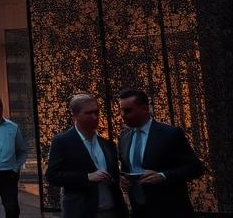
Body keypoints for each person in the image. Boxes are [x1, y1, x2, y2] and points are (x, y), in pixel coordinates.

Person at [117, 87, 204, 217]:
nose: (123, 115)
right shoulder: (123, 138)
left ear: (145, 109)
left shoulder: (170, 134)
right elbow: (126, 170)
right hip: (139, 212)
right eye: (121, 111)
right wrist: (122, 180)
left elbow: (196, 168)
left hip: (170, 210)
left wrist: (164, 176)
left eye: (128, 110)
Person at [45, 93, 125, 218]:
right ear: (74, 114)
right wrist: (87, 177)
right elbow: (52, 176)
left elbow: (114, 177)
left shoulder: (108, 144)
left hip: (111, 210)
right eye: (88, 113)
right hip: (80, 211)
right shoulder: (62, 141)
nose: (95, 117)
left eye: (97, 112)